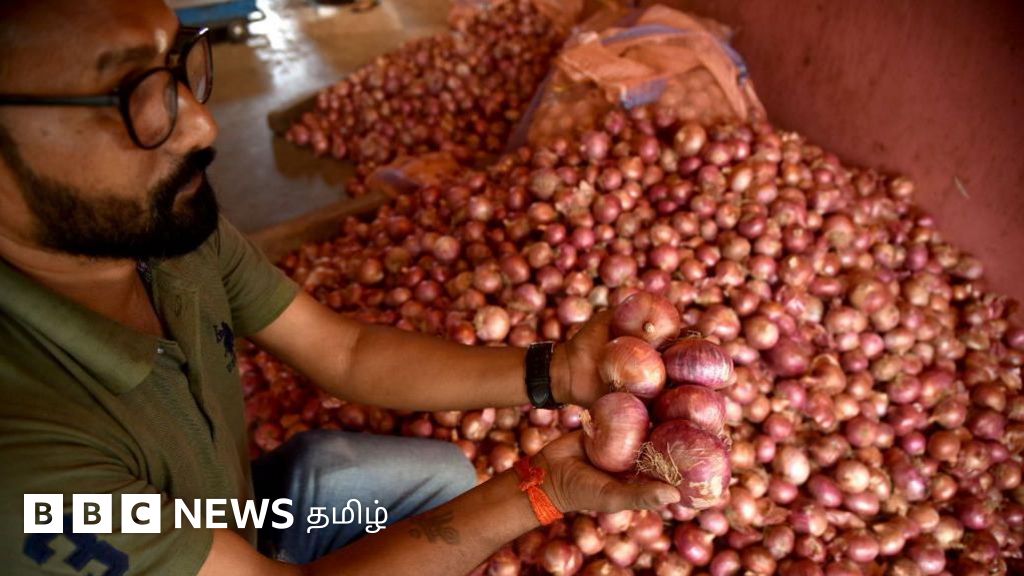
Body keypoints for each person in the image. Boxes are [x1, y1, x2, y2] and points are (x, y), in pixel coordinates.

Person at [0, 1, 681, 574]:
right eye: (131, 94)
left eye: (176, 66)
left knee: (440, 477)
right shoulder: (22, 466)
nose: (204, 125)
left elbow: (346, 351)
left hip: (233, 523)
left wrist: (557, 372)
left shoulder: (163, 234)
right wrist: (542, 490)